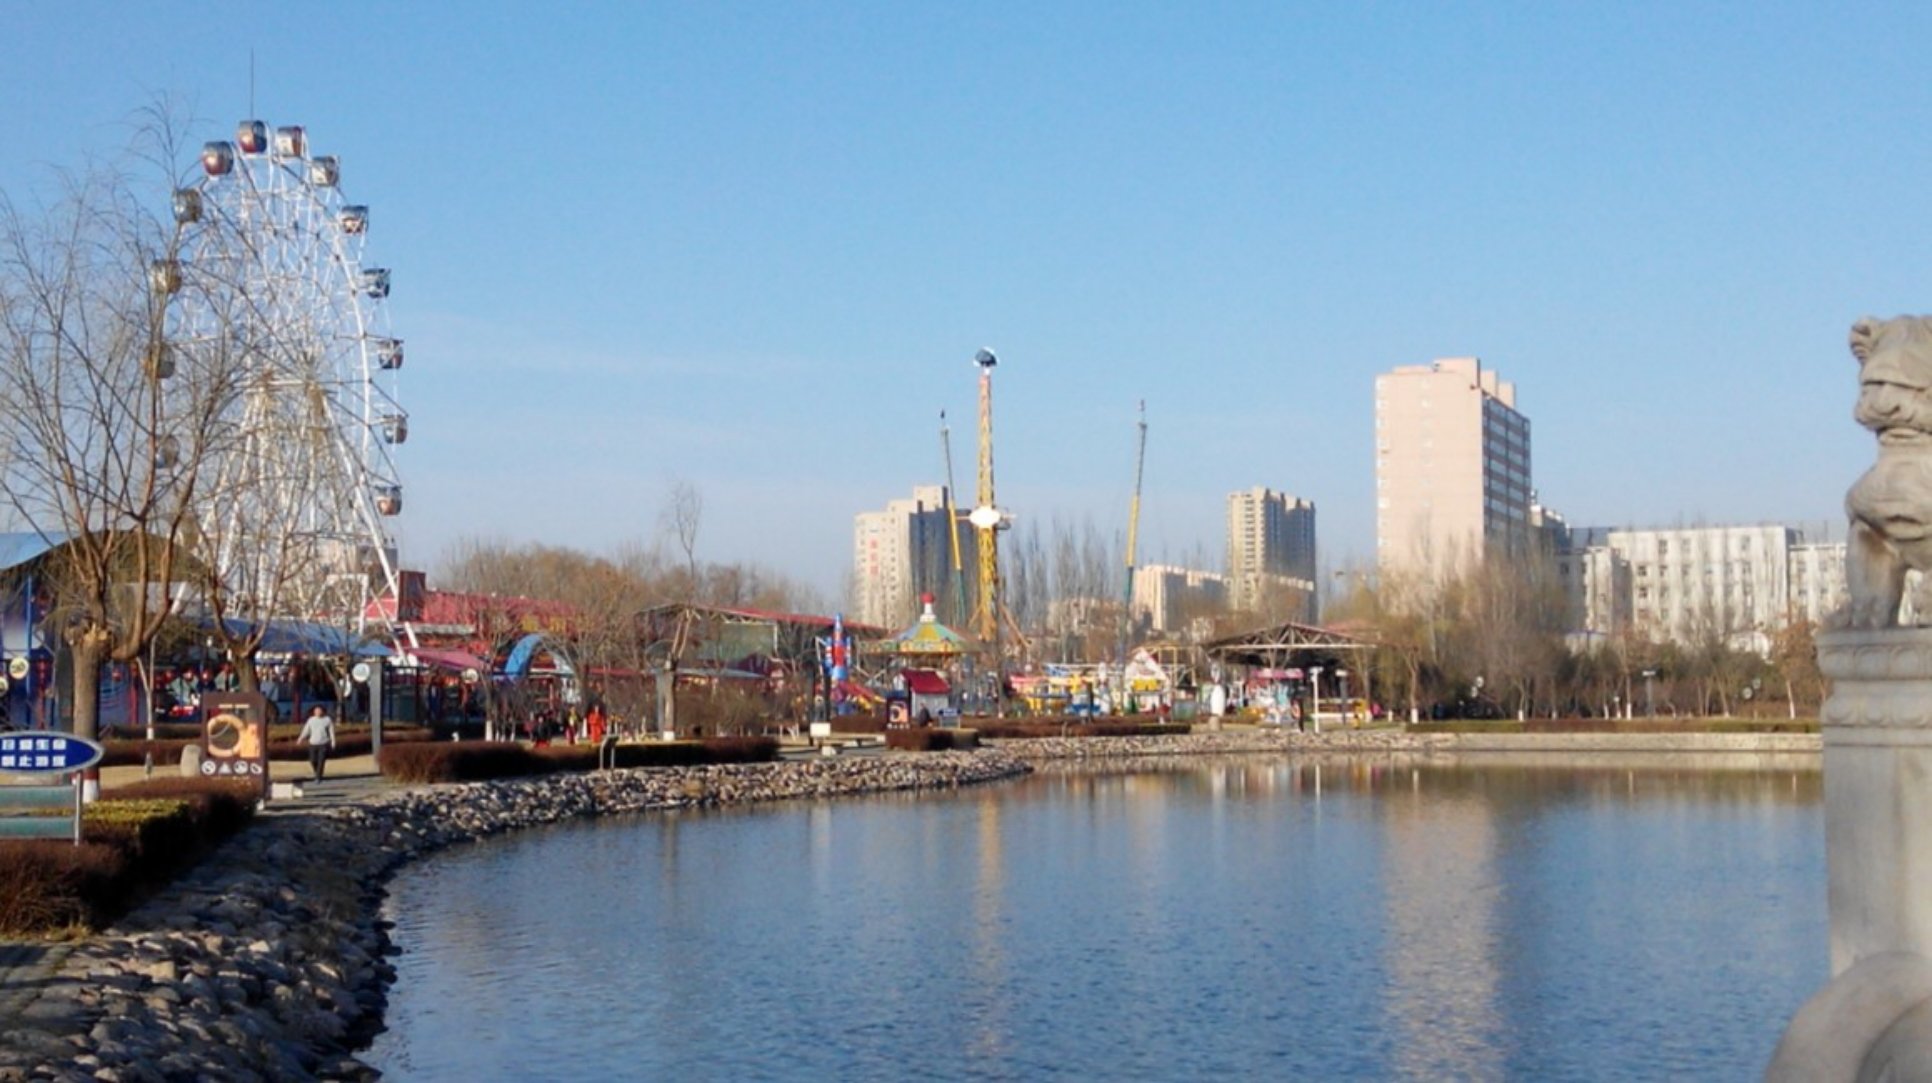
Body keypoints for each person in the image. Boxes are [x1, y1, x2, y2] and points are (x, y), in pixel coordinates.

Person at [298, 705, 336, 781]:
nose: (318, 712)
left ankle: (318, 777)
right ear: (314, 712)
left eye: (319, 710)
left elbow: (331, 732)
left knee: (321, 760)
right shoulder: (311, 720)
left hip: (323, 743)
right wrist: (300, 738)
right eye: (316, 711)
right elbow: (306, 730)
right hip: (313, 743)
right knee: (312, 760)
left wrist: (333, 741)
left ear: (322, 711)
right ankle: (317, 773)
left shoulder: (327, 720)